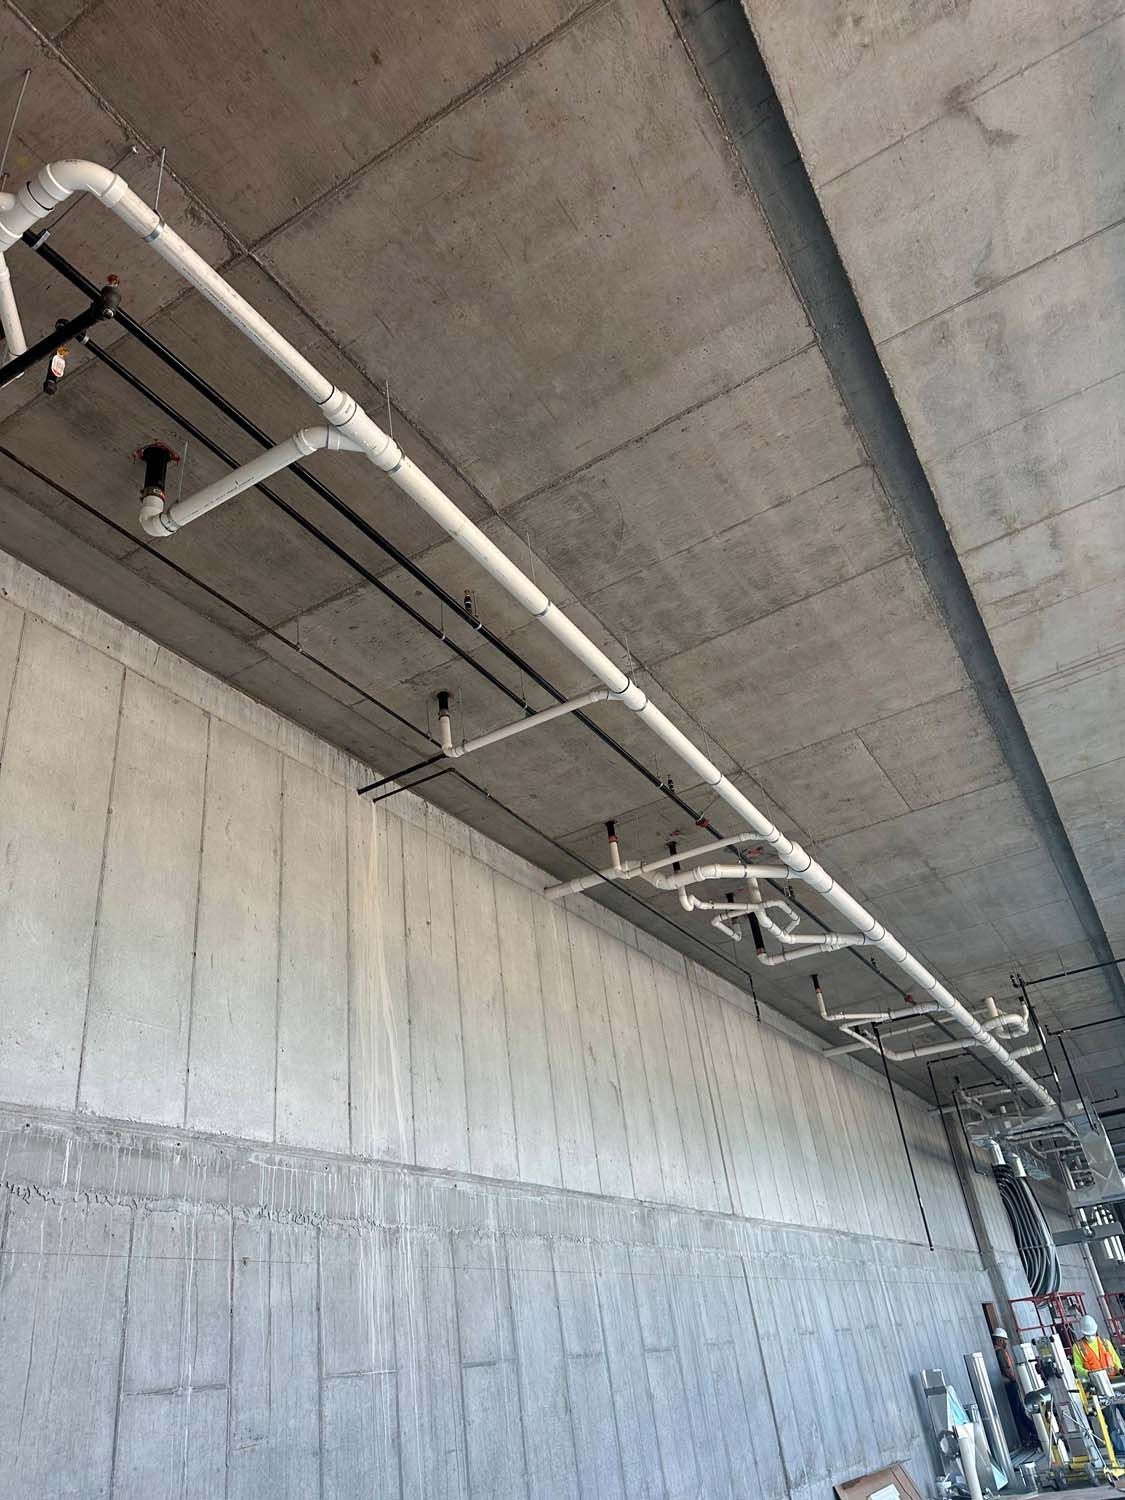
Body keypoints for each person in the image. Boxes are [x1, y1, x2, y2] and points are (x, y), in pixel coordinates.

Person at [993, 1327, 1039, 1448]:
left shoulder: (998, 1352)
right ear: (1000, 1340)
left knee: (1019, 1411)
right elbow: (1006, 1369)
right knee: (1018, 1412)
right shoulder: (1000, 1352)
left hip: (1007, 1385)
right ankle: (1029, 1436)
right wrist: (1014, 1380)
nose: (1006, 1343)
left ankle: (1031, 1434)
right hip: (1009, 1385)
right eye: (1004, 1340)